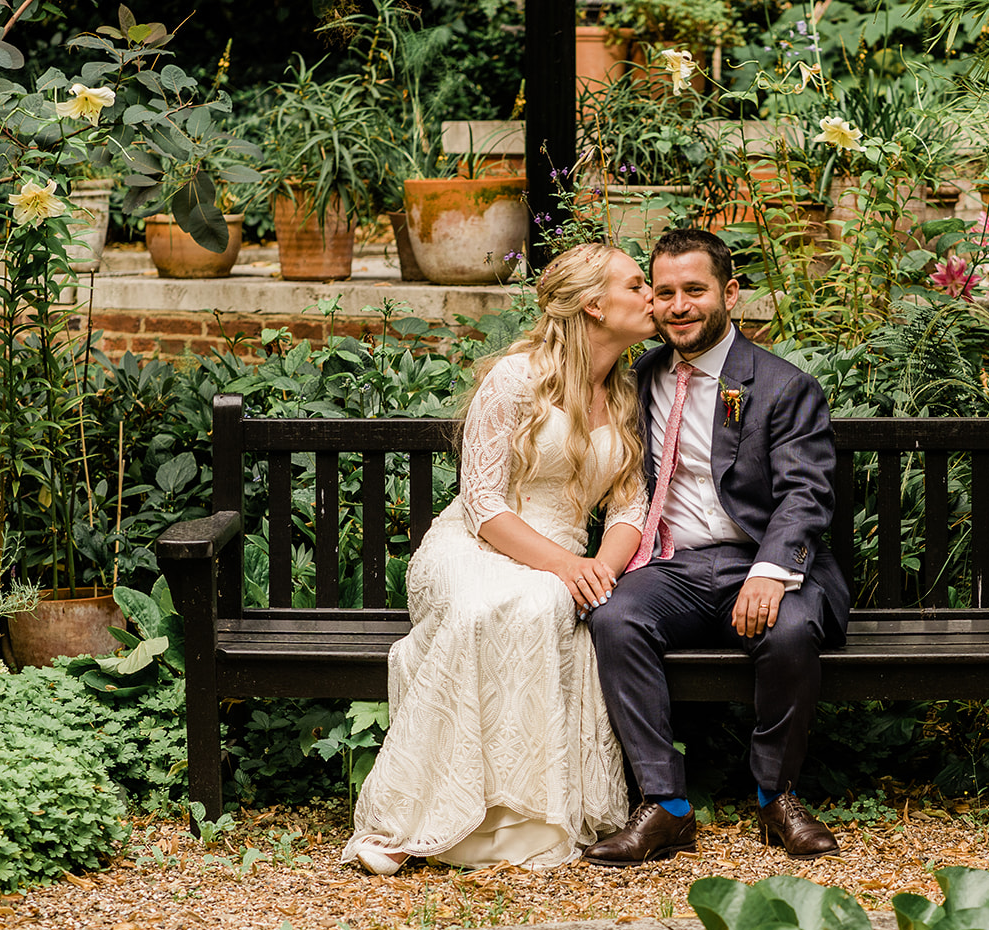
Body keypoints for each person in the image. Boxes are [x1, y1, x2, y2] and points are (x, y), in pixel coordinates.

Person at [340, 243, 653, 874]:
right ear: (594, 305)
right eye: (638, 284)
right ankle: (416, 817)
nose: (653, 296)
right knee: (486, 609)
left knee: (540, 607)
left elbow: (628, 511)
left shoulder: (626, 397)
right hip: (479, 543)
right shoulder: (515, 380)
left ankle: (521, 819)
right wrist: (567, 567)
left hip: (561, 557)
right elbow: (482, 502)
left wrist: (602, 568)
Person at [586, 228, 852, 867]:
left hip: (758, 557)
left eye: (695, 291)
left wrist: (771, 570)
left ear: (729, 293)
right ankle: (665, 805)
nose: (679, 306)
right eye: (666, 292)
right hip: (673, 565)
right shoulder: (640, 377)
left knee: (788, 632)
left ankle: (775, 794)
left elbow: (806, 496)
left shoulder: (784, 388)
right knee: (615, 617)